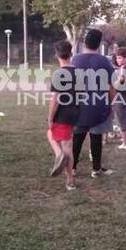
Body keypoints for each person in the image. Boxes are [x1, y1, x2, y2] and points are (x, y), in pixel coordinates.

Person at [72, 29, 116, 178]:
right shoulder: (105, 62)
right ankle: (96, 169)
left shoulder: (75, 60)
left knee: (77, 137)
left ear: (84, 42)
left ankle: (72, 168)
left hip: (79, 106)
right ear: (99, 43)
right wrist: (110, 105)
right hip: (98, 105)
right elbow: (112, 87)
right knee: (96, 137)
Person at [47, 40, 79, 190]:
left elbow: (55, 99)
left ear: (56, 55)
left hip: (62, 114)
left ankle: (69, 179)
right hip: (76, 113)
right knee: (67, 143)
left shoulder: (59, 74)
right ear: (71, 54)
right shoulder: (79, 73)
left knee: (60, 142)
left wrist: (51, 118)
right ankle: (64, 161)